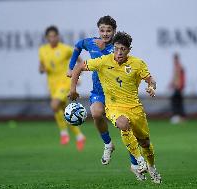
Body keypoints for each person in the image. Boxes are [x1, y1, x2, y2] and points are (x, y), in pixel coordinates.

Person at [69, 31, 162, 183]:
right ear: (113, 47)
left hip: (135, 108)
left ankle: (152, 167)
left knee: (145, 143)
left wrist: (152, 87)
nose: (119, 52)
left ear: (128, 50)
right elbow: (79, 66)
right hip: (114, 107)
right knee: (122, 124)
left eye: (123, 49)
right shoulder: (104, 61)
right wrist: (73, 89)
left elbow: (151, 80)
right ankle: (139, 161)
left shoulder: (137, 63)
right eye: (116, 48)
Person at [68, 15, 142, 180]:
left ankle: (134, 164)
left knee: (124, 127)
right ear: (98, 30)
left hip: (117, 95)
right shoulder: (92, 43)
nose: (105, 33)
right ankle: (108, 144)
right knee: (95, 113)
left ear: (114, 31)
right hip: (99, 93)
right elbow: (78, 46)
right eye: (102, 30)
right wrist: (70, 67)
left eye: (109, 30)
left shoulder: (117, 48)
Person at [38, 26, 86, 151]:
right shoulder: (43, 50)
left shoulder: (65, 49)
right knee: (64, 111)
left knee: (54, 105)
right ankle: (79, 136)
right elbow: (41, 67)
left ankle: (63, 133)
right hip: (52, 85)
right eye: (50, 36)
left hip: (65, 83)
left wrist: (76, 75)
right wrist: (42, 69)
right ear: (47, 38)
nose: (52, 38)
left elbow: (80, 61)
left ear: (58, 37)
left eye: (54, 36)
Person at [170, 53, 186, 124]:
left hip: (178, 87)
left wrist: (179, 85)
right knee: (177, 101)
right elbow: (175, 77)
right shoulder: (177, 67)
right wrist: (171, 84)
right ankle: (180, 117)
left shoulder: (179, 67)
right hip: (177, 87)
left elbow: (179, 78)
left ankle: (178, 116)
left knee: (176, 101)